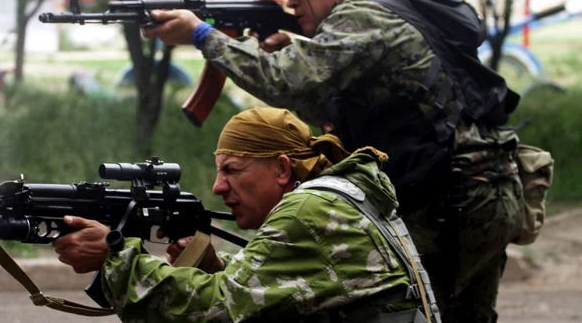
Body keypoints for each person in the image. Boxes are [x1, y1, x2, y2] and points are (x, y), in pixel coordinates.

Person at [138, 0, 524, 322]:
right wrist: (292, 52)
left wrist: (201, 34)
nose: (291, 1)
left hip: (452, 200)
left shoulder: (363, 15)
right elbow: (336, 108)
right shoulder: (392, 12)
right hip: (486, 187)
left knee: (408, 311)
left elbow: (283, 81)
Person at [53, 107, 439, 322]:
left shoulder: (308, 210)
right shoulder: (340, 198)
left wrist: (116, 259)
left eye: (233, 170)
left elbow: (218, 311)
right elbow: (290, 294)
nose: (219, 187)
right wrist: (217, 268)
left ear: (283, 170)